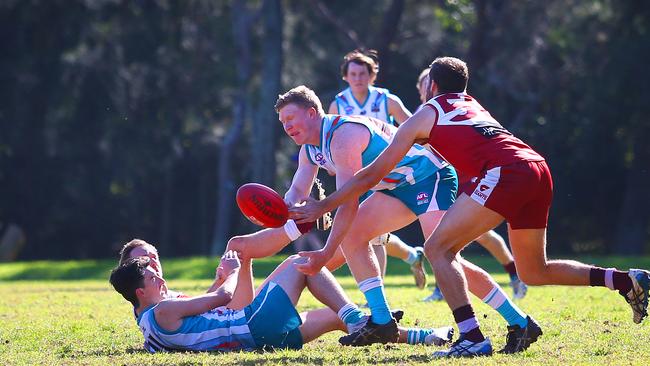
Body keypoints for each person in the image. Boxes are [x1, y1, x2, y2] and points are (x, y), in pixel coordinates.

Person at [290, 57, 650, 358]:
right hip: (536, 167)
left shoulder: (425, 112)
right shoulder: (472, 103)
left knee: (438, 250)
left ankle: (472, 337)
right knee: (533, 271)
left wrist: (325, 203)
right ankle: (622, 280)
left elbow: (374, 172)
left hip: (500, 173)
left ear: (430, 86)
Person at [275, 85, 534, 351]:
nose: (286, 126)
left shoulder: (342, 136)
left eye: (290, 119)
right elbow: (297, 190)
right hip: (397, 186)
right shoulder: (310, 150)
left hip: (429, 176)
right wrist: (278, 212)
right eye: (283, 122)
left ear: (311, 113)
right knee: (355, 235)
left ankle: (519, 322)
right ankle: (382, 321)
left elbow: (348, 202)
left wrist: (326, 253)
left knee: (446, 257)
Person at [110, 251, 454, 352]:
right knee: (300, 262)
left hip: (260, 341)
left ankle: (425, 337)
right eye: (152, 277)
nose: (159, 276)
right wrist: (231, 268)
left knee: (332, 318)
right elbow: (224, 297)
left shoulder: (149, 326)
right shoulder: (163, 309)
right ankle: (354, 316)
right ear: (141, 292)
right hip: (254, 326)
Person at [415, 68, 528, 302]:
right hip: (441, 181)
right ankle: (443, 286)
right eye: (425, 83)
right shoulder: (422, 114)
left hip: (466, 177)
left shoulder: (455, 108)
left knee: (478, 236)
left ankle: (514, 274)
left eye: (431, 82)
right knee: (442, 238)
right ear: (422, 88)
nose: (430, 88)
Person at [331, 49, 427, 289]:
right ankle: (412, 256)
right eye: (352, 74)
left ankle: (378, 292)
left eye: (362, 73)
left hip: (386, 174)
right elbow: (330, 140)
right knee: (369, 233)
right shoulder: (338, 104)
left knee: (373, 235)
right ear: (345, 77)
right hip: (353, 175)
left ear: (372, 75)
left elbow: (414, 127)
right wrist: (332, 165)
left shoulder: (387, 100)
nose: (358, 78)